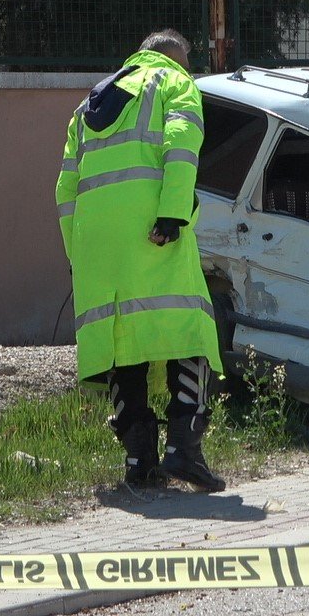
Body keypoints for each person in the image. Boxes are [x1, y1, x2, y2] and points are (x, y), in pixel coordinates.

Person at [55, 29, 226, 493]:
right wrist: (172, 213)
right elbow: (182, 143)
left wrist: (80, 253)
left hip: (98, 248)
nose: (189, 70)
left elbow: (65, 189)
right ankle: (183, 452)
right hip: (152, 231)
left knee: (120, 346)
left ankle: (138, 461)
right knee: (189, 329)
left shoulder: (88, 106)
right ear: (176, 58)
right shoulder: (174, 83)